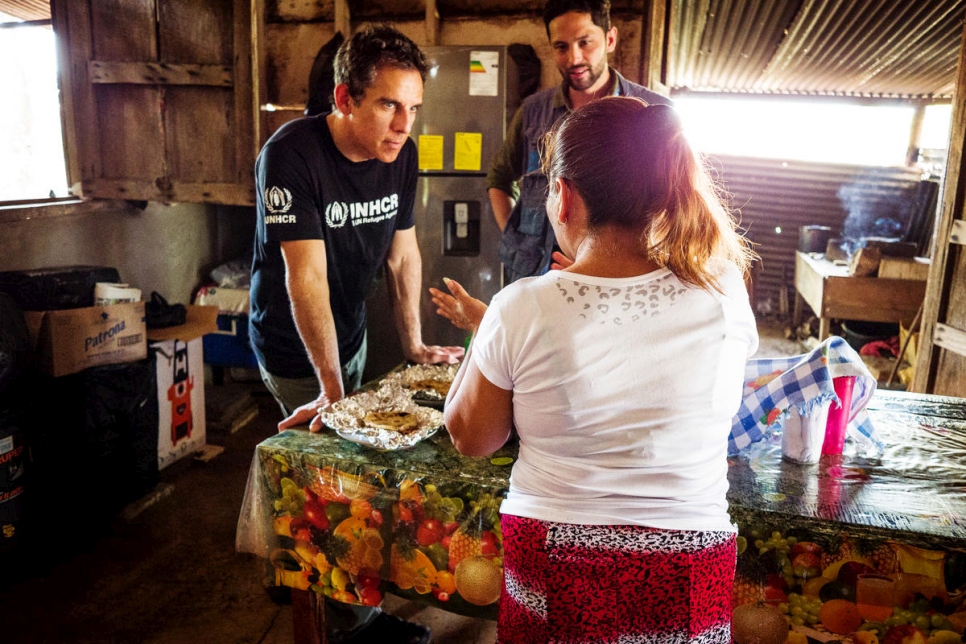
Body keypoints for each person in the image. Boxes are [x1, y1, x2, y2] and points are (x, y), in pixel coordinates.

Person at [432, 97, 759, 643]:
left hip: (556, 566)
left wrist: (486, 329)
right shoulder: (724, 287)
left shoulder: (522, 307)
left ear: (563, 198)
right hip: (689, 576)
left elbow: (472, 437)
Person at [249, 24, 463, 644]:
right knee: (335, 482)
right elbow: (305, 278)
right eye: (389, 106)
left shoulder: (402, 157)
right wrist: (332, 391)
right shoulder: (291, 155)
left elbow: (403, 257)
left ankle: (322, 588)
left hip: (352, 331)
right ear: (345, 98)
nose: (405, 125)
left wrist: (416, 344)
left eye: (413, 108)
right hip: (295, 342)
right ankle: (349, 624)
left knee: (355, 476)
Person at [488, 0, 673, 283]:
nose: (574, 58)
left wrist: (592, 262)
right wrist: (517, 241)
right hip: (534, 276)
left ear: (610, 39)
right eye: (561, 47)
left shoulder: (652, 112)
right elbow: (500, 179)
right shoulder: (533, 112)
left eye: (585, 42)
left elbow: (676, 203)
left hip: (618, 284)